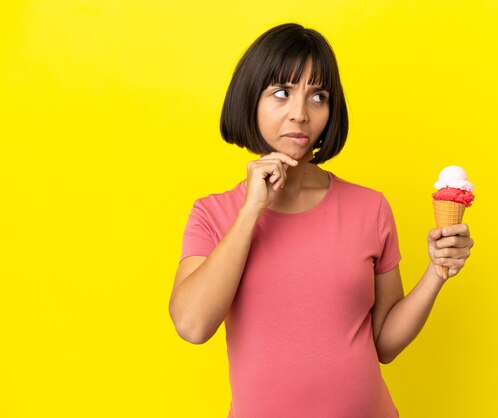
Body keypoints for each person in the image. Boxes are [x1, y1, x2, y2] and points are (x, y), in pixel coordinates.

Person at [169, 23, 474, 418]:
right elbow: (193, 326)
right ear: (250, 100)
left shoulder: (370, 208)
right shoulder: (213, 214)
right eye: (281, 93)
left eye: (318, 96)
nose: (300, 114)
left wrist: (437, 271)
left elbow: (385, 344)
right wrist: (251, 212)